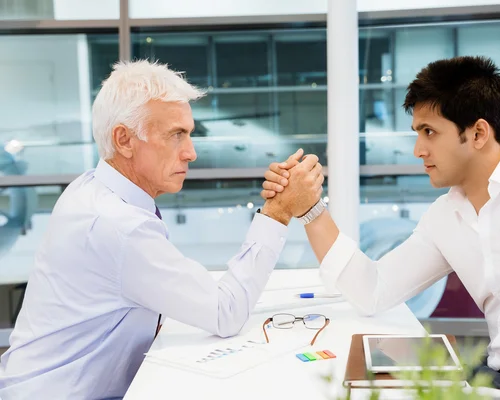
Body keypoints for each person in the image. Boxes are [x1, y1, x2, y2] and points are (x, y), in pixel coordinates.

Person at [261, 56, 500, 397]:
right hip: (497, 383)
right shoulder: (446, 216)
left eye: (429, 132)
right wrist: (308, 208)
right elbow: (373, 290)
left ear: (478, 133)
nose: (418, 150)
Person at [0, 60, 323, 399]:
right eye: (175, 136)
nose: (191, 153)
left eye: (190, 133)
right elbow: (225, 313)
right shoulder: (119, 226)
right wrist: (278, 211)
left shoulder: (91, 189)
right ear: (124, 140)